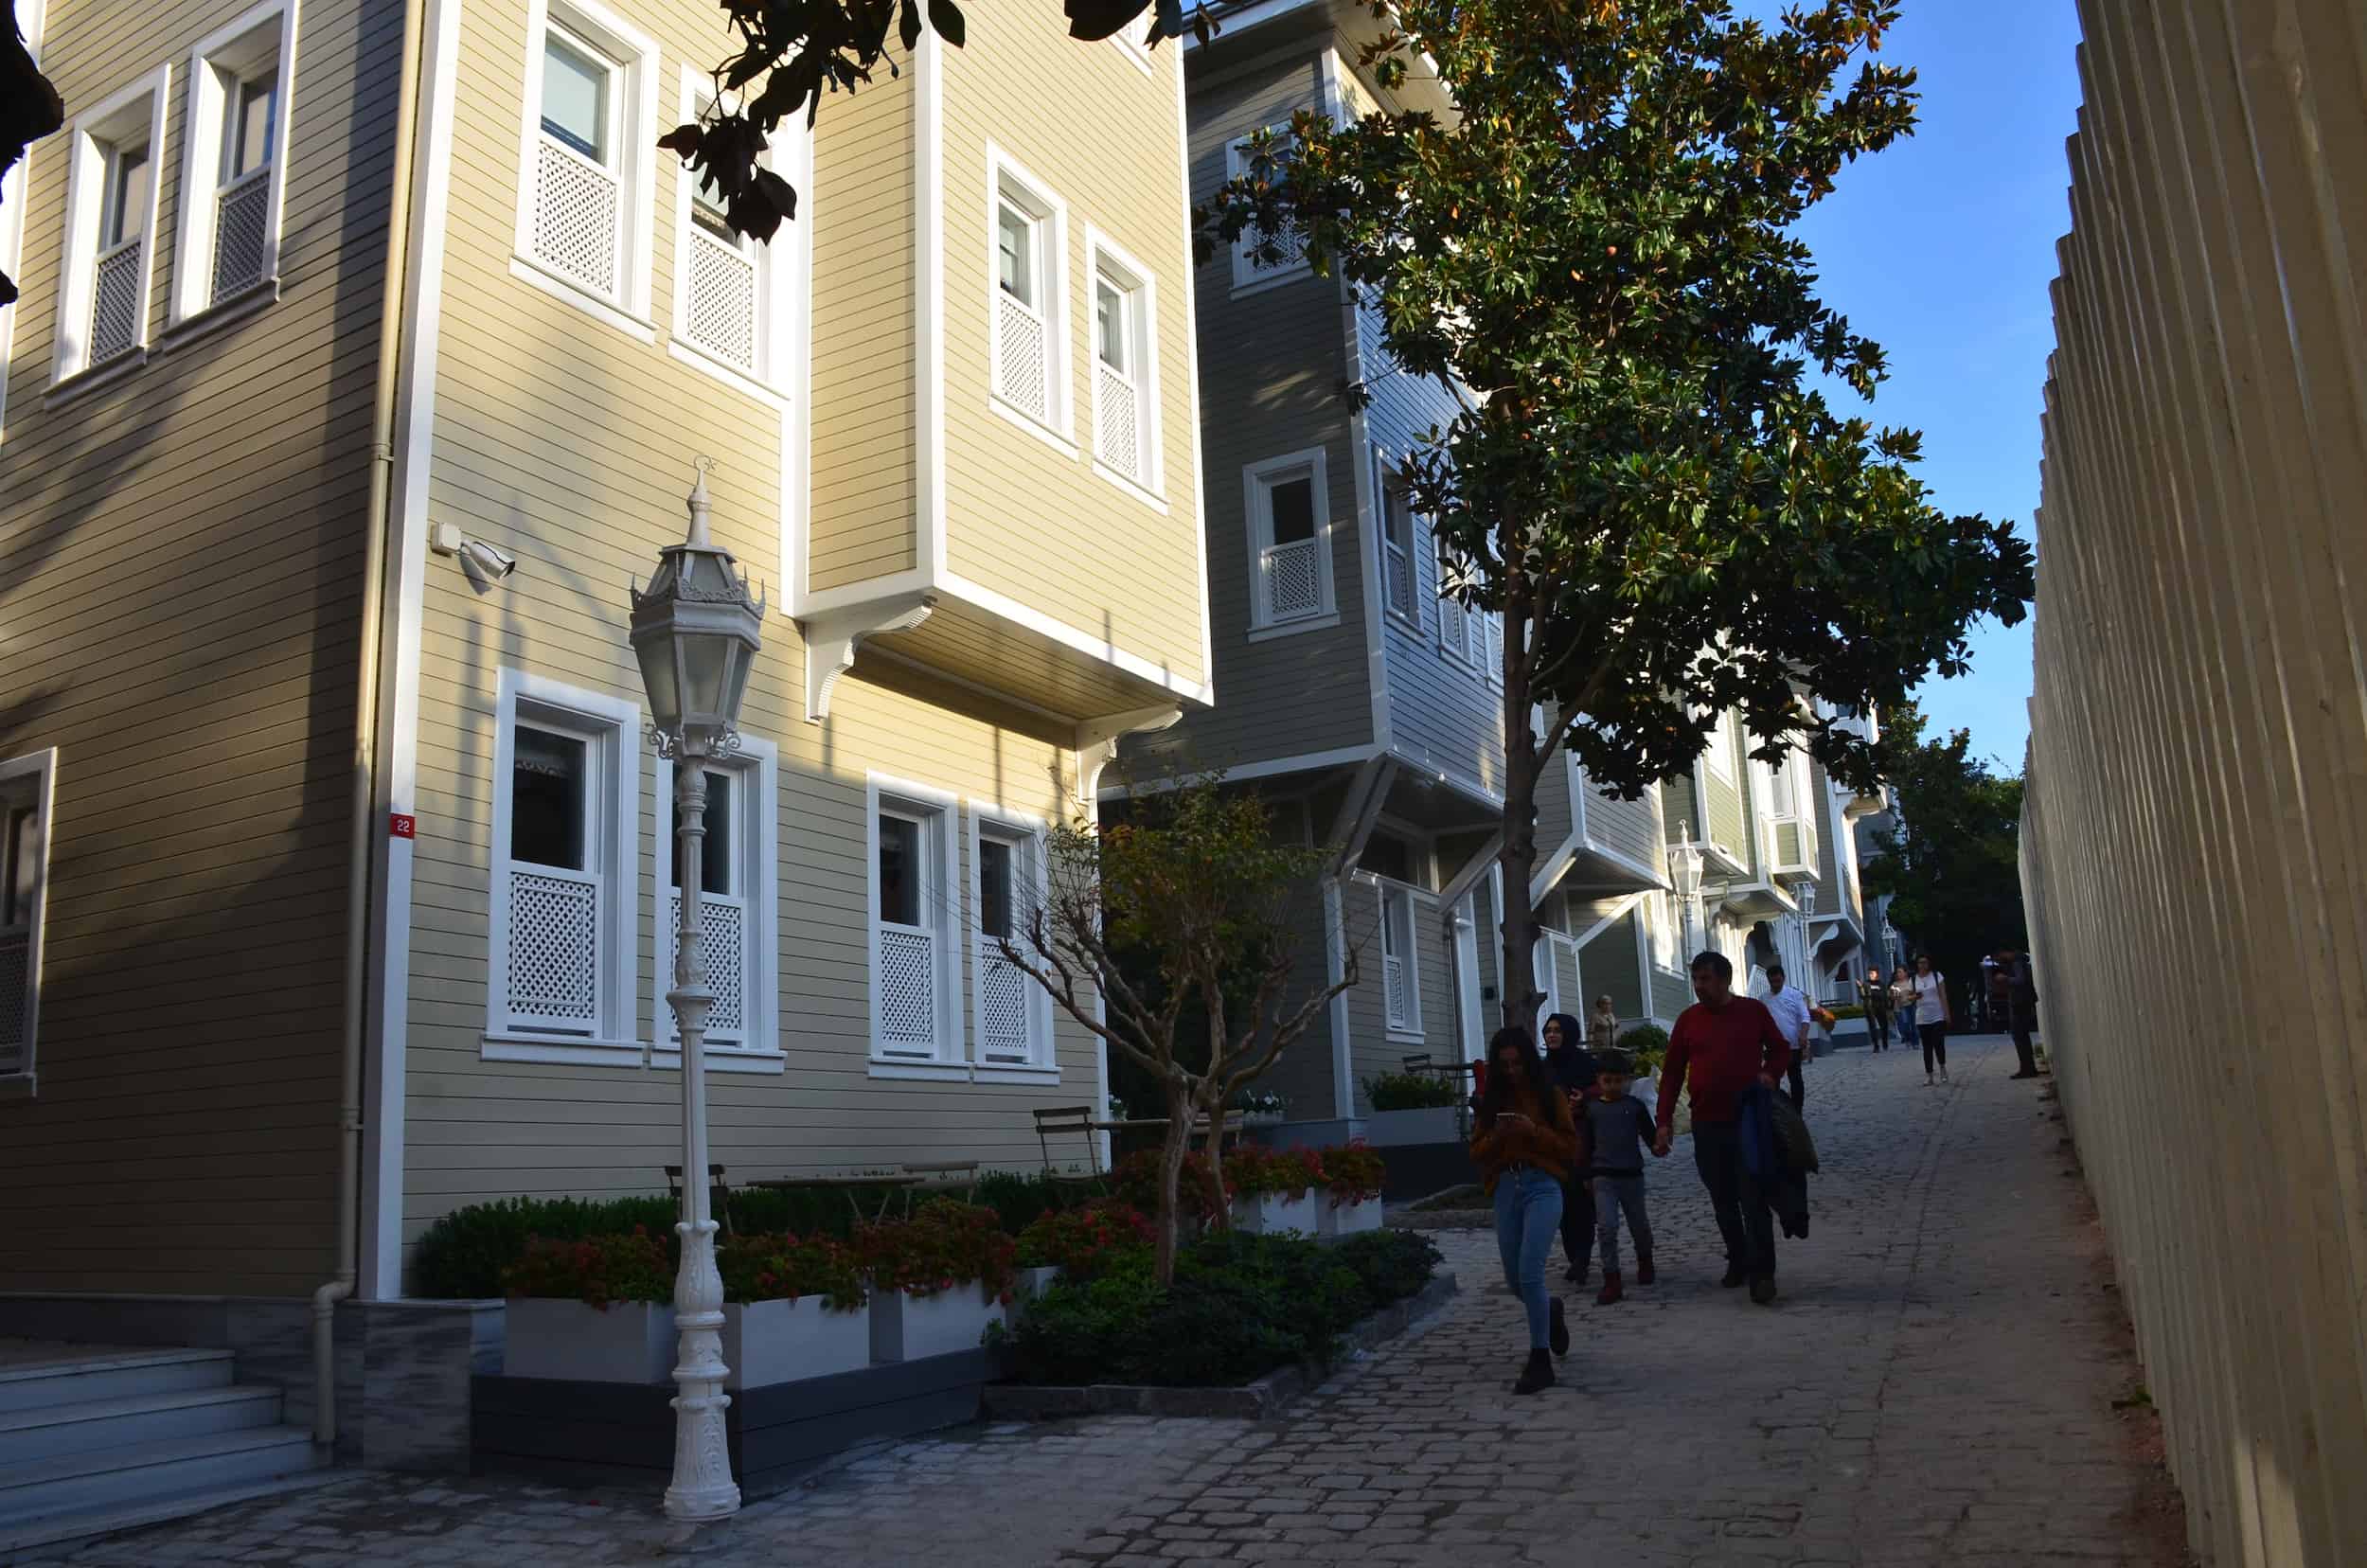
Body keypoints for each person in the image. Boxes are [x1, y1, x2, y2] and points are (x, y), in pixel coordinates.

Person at [1653, 952, 1794, 1305]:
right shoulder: (1689, 1020)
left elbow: (1780, 1050)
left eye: (1705, 979)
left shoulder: (1752, 1012)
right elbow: (1671, 1074)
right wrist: (1664, 1121)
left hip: (1748, 1121)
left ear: (1725, 979)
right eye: (1696, 979)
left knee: (1754, 1197)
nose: (1699, 986)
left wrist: (1770, 1074)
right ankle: (1739, 1258)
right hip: (1707, 1123)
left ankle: (1763, 1273)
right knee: (1722, 1199)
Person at [1471, 1025, 1579, 1394]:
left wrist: (1533, 1131)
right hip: (1506, 1188)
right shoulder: (1491, 1100)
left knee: (1531, 1272)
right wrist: (1497, 1136)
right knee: (1516, 1280)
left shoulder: (1550, 1095)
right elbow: (1475, 1152)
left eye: (1517, 1063)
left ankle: (1539, 1359)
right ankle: (1550, 1311)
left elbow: (1569, 1147)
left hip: (1543, 1186)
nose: (1512, 1070)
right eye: (1505, 1065)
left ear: (1528, 1061)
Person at [1580, 1051, 1662, 1304]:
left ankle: (1645, 1259)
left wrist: (1659, 1146)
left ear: (1628, 1080)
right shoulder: (1592, 1110)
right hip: (1603, 1177)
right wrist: (1585, 1175)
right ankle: (1611, 1277)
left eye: (1619, 1081)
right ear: (1599, 1081)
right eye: (1608, 1081)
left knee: (1639, 1225)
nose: (1614, 1086)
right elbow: (1585, 1145)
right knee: (1607, 1227)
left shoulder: (1635, 1107)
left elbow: (1650, 1137)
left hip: (1632, 1177)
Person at [1541, 1011, 1598, 1284]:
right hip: (1554, 1141)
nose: (1551, 1035)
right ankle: (1574, 1257)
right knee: (1562, 1200)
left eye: (1557, 1030)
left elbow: (1604, 1090)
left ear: (1569, 1034)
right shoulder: (1543, 1067)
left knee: (1581, 1198)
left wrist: (1585, 1097)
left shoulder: (1585, 1063)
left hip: (1582, 1139)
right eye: (1548, 1030)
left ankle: (1582, 1257)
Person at [1761, 963, 1813, 1110]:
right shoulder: (1763, 999)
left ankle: (1797, 1111)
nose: (1775, 984)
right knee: (1773, 1080)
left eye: (1778, 981)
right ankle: (1776, 1112)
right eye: (1772, 981)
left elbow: (1805, 1017)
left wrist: (1803, 1035)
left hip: (1793, 1045)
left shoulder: (1794, 995)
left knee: (1795, 1078)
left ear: (1783, 979)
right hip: (1773, 1048)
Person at [1996, 948, 2041, 1078]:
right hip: (2022, 1001)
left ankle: (2027, 1068)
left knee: (2020, 1036)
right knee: (2021, 1036)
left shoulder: (2017, 961)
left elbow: (2020, 980)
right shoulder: (2019, 960)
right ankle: (2028, 1067)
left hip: (2020, 1002)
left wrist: (2005, 978)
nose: (1999, 960)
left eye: (1999, 956)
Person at [1910, 954, 1951, 1084]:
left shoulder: (1936, 976)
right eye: (1920, 963)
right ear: (1917, 964)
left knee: (1938, 1043)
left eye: (1925, 962)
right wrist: (1915, 997)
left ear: (1929, 963)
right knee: (1927, 1047)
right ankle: (1929, 1075)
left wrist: (1947, 1014)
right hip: (1922, 1017)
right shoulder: (1913, 979)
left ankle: (1943, 1068)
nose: (1923, 965)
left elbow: (1943, 995)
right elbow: (1909, 997)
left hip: (1937, 1014)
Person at [1860, 966, 1893, 1052]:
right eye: (1869, 973)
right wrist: (1861, 988)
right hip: (1870, 1007)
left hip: (1881, 1007)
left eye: (1872, 973)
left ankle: (1885, 1042)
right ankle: (1876, 1046)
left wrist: (1888, 1009)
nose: (1870, 975)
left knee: (1884, 1026)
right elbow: (1863, 996)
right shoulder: (1866, 983)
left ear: (1877, 974)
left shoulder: (1881, 984)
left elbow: (1885, 996)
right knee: (1872, 1026)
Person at [1891, 969, 1920, 1046]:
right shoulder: (1895, 984)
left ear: (1905, 973)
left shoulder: (1911, 982)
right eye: (1897, 972)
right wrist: (1894, 996)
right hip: (1902, 1006)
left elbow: (1917, 993)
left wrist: (1912, 997)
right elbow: (1892, 997)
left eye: (1900, 972)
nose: (1898, 974)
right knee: (1905, 1024)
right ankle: (1908, 1039)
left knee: (1914, 1024)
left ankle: (1916, 1042)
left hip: (1911, 1005)